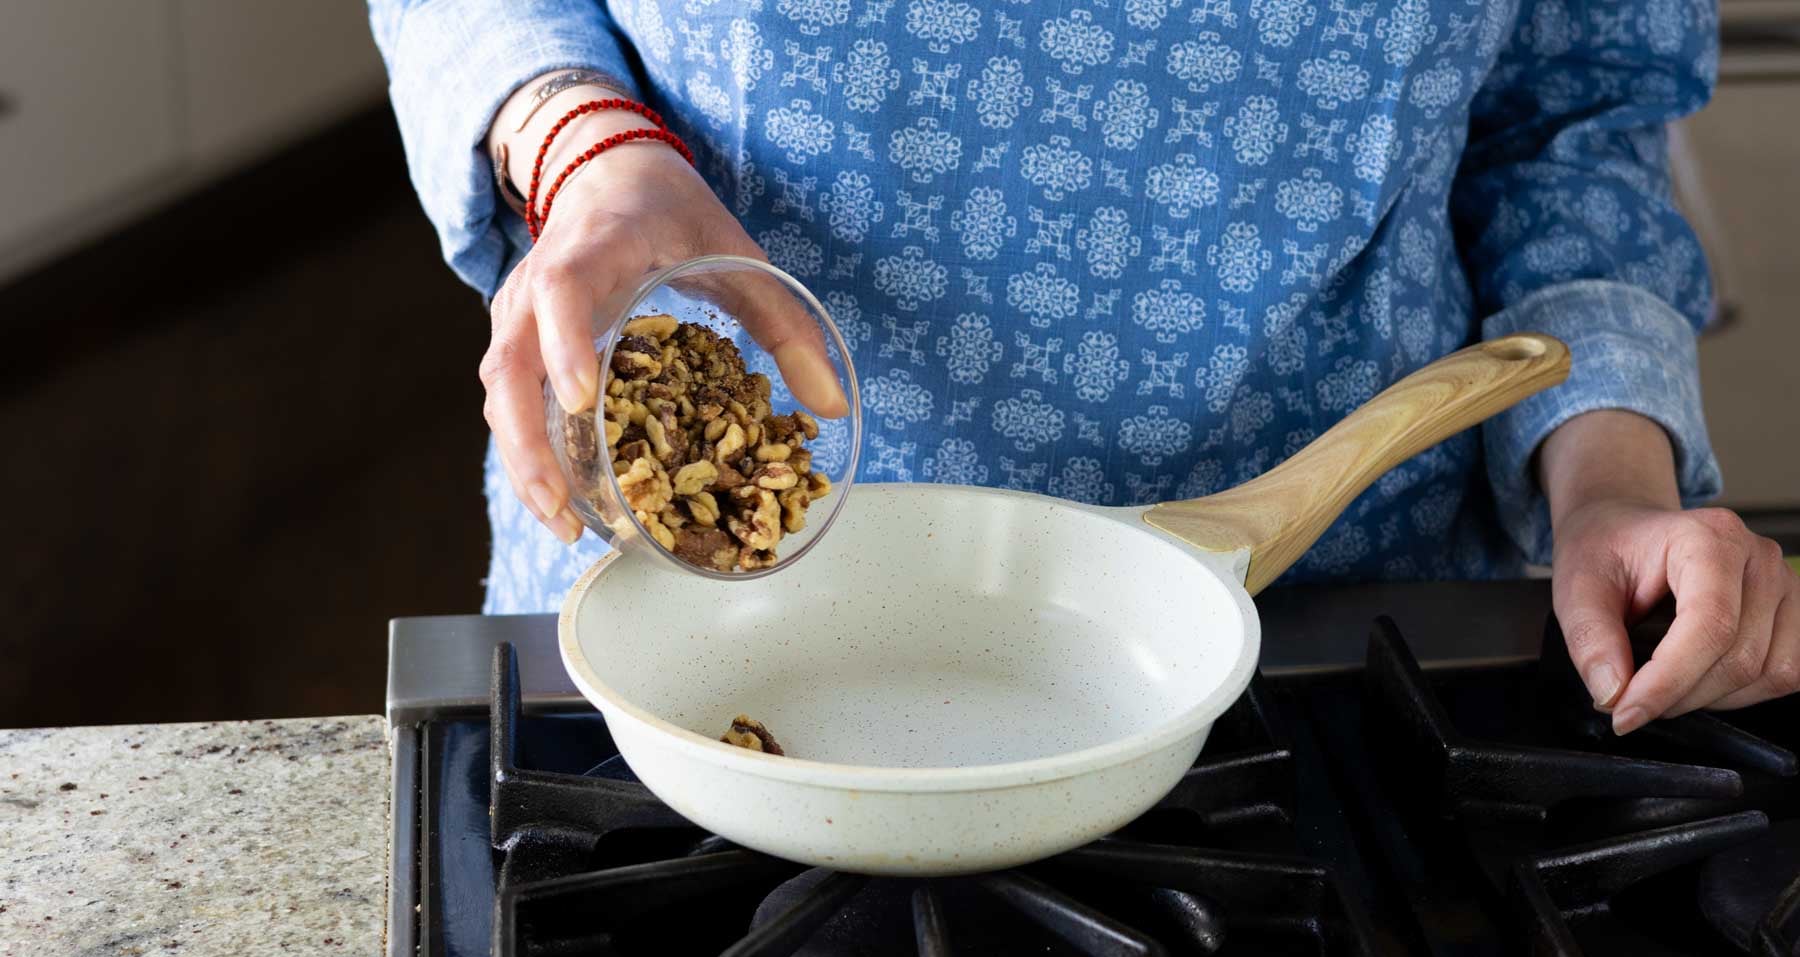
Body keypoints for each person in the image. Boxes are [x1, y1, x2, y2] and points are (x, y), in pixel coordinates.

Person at [369, 0, 1798, 731]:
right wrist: (582, 147)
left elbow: (1570, 119)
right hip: (709, 621)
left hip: (1338, 649)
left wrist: (1610, 480)